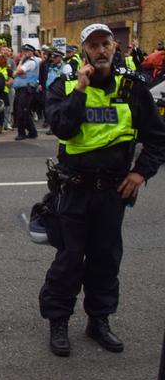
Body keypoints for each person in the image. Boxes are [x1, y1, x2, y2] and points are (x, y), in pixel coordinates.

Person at [39, 23, 165, 357]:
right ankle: (59, 322)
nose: (101, 50)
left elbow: (157, 137)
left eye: (106, 43)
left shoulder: (132, 87)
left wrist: (140, 173)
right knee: (68, 260)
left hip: (113, 192)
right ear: (84, 51)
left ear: (115, 46)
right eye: (93, 45)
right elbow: (63, 127)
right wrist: (80, 90)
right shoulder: (64, 85)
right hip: (74, 188)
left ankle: (99, 321)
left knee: (106, 259)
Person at [12, 44, 40, 141]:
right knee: (24, 112)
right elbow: (17, 72)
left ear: (31, 52)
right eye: (23, 51)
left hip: (26, 89)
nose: (24, 53)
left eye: (26, 51)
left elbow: (17, 71)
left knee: (22, 111)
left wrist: (19, 66)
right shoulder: (26, 62)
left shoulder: (30, 62)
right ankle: (32, 132)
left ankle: (21, 133)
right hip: (21, 89)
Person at [0, 52, 13, 134]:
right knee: (2, 110)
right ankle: (1, 126)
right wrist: (6, 84)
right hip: (4, 92)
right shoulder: (8, 70)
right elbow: (11, 81)